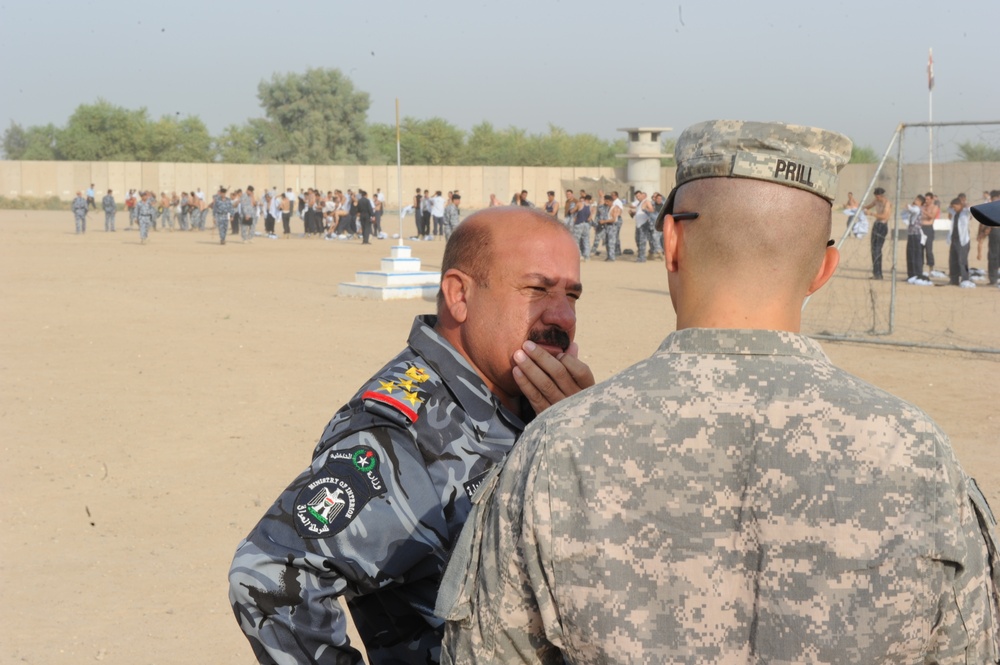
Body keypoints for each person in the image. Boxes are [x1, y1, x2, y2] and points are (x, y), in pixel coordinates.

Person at [436, 120, 1000, 664]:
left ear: (671, 241)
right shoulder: (919, 454)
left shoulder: (553, 452)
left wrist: (580, 425)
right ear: (824, 269)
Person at [229, 207, 595, 665]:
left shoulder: (541, 401)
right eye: (536, 289)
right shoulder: (398, 433)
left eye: (572, 296)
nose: (560, 315)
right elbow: (266, 576)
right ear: (459, 295)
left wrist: (581, 433)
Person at [971, 190, 1000, 287]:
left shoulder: (993, 205)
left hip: (995, 231)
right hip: (995, 231)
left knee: (993, 255)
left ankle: (993, 279)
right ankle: (994, 278)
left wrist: (983, 232)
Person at [864, 187, 892, 279]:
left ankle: (879, 273)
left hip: (882, 226)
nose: (876, 197)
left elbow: (884, 216)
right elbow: (867, 206)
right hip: (876, 225)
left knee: (877, 250)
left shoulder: (886, 203)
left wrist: (871, 214)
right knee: (873, 249)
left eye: (877, 196)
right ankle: (875, 273)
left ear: (880, 195)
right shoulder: (876, 201)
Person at [947, 196, 975, 288]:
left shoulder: (965, 213)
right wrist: (952, 206)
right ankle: (954, 280)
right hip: (954, 239)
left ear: (960, 205)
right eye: (953, 207)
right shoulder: (954, 212)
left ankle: (965, 279)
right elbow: (949, 208)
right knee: (953, 260)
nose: (954, 208)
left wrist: (965, 205)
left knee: (962, 261)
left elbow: (971, 210)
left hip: (963, 240)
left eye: (955, 206)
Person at [904, 194, 932, 285]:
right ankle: (911, 275)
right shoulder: (915, 208)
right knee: (910, 254)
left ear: (920, 202)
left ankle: (917, 274)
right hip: (911, 234)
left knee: (916, 255)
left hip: (916, 235)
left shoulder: (917, 208)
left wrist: (909, 206)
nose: (914, 201)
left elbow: (911, 209)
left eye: (916, 200)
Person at [921, 192, 943, 278]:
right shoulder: (923, 206)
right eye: (925, 199)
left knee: (929, 249)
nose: (926, 201)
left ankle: (931, 268)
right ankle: (920, 267)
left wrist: (923, 211)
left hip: (928, 228)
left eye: (928, 199)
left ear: (931, 199)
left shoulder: (934, 207)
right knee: (920, 249)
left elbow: (931, 216)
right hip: (921, 228)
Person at [630, 190, 655, 263]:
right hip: (638, 225)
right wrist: (633, 213)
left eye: (638, 196)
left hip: (644, 224)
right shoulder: (639, 203)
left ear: (642, 195)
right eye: (636, 196)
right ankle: (640, 256)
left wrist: (645, 209)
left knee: (642, 241)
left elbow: (652, 210)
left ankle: (642, 258)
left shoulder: (646, 202)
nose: (638, 197)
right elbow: (638, 212)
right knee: (637, 240)